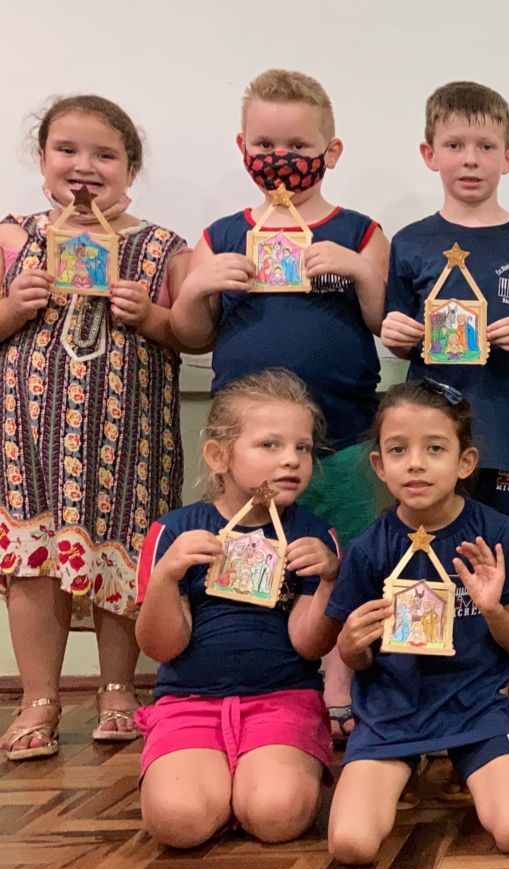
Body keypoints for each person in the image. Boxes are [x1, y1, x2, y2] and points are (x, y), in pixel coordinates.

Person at [170, 68, 391, 744]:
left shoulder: (359, 231)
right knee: (252, 560)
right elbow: (191, 334)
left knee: (345, 558)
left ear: (331, 151)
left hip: (342, 436)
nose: (281, 158)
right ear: (243, 148)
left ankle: (343, 683)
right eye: (266, 144)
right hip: (249, 449)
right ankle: (266, 684)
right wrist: (198, 286)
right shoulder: (220, 235)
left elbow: (384, 321)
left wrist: (359, 271)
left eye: (298, 145)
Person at [0, 95, 191, 760]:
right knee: (34, 561)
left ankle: (118, 689)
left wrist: (152, 317)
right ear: (42, 159)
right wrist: (11, 309)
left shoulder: (162, 247)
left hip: (130, 436)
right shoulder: (12, 237)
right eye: (67, 150)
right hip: (31, 438)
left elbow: (195, 334)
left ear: (130, 169)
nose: (85, 167)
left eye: (105, 155)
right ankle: (39, 698)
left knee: (124, 555)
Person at [325, 381, 509, 863]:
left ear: (465, 462)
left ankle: (470, 763)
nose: (416, 464)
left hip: (474, 709)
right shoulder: (369, 548)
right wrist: (351, 646)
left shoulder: (494, 534)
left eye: (435, 449)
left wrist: (492, 610)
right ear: (379, 465)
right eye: (398, 450)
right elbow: (355, 658)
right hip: (390, 713)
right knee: (351, 844)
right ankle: (406, 766)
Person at [132, 371, 340, 846]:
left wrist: (331, 579)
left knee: (277, 815)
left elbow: (309, 644)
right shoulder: (174, 532)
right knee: (178, 822)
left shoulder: (315, 537)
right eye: (269, 445)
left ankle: (248, 782)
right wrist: (166, 576)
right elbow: (162, 646)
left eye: (303, 448)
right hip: (189, 704)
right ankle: (218, 782)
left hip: (283, 699)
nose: (291, 459)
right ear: (218, 456)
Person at [382, 81, 509, 540]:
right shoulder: (410, 241)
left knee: (504, 556)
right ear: (430, 154)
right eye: (454, 145)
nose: (470, 159)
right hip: (428, 442)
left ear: (508, 158)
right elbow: (397, 332)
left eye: (486, 147)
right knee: (428, 559)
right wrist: (394, 333)